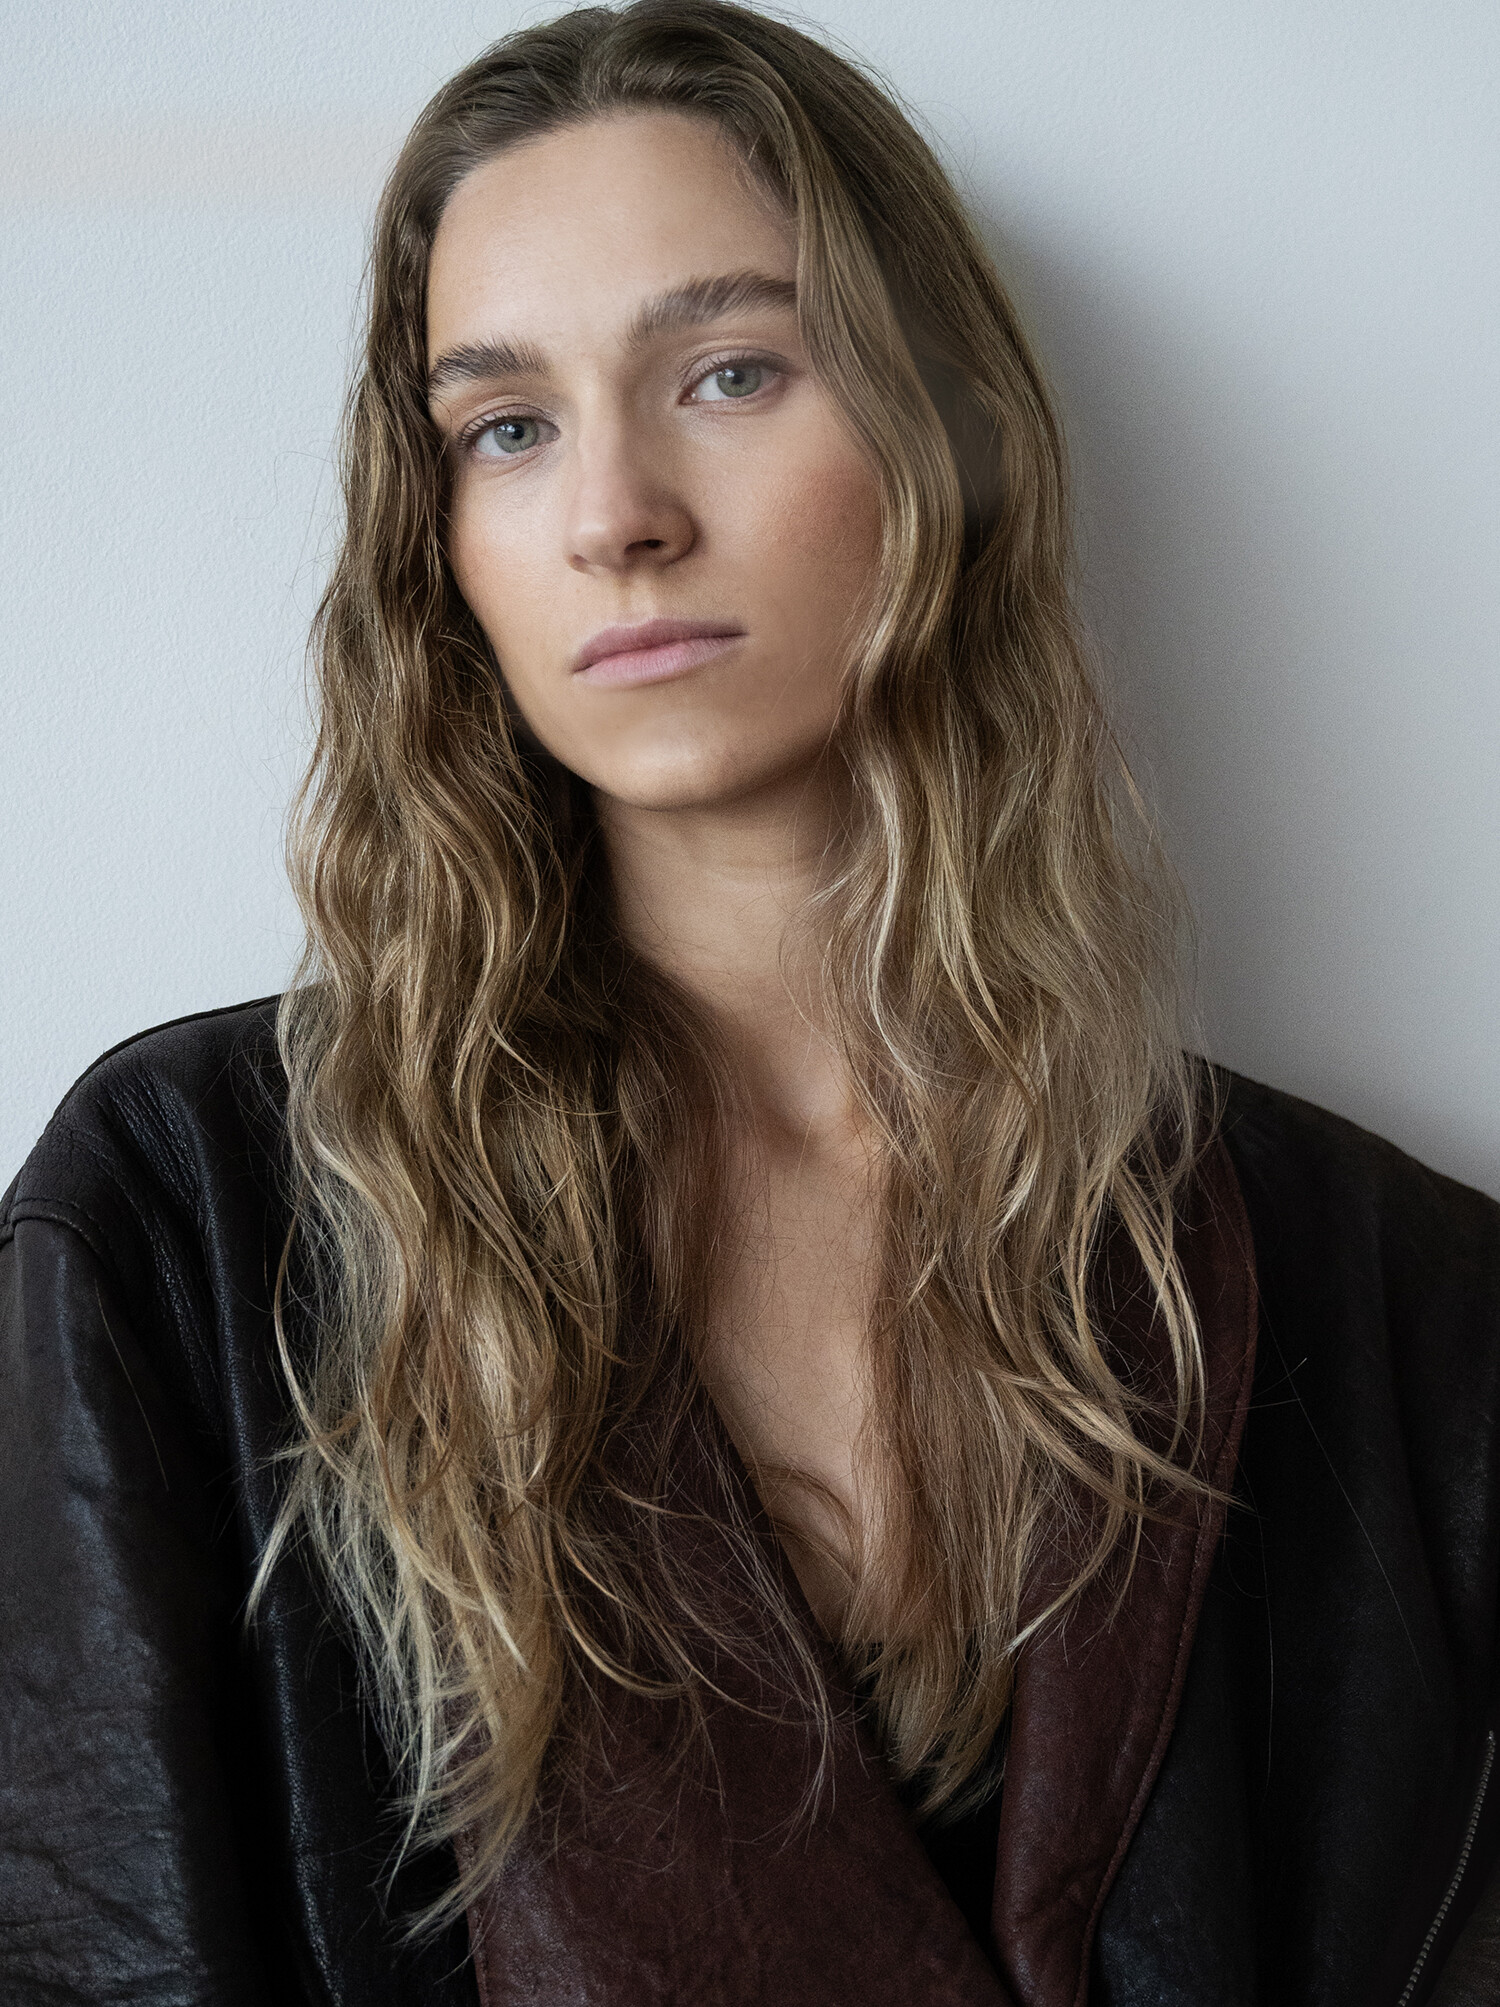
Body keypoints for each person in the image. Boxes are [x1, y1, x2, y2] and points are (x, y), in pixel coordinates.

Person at [2, 4, 1498, 2002]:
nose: (615, 512)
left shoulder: (1385, 1295)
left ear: (941, 434)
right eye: (507, 425)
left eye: (730, 372)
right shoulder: (188, 1210)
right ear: (441, 543)